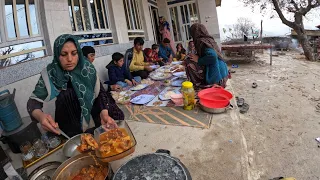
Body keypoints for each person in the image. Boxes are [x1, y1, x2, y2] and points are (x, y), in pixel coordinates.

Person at [27, 34, 124, 137]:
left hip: (96, 116)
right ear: (56, 55)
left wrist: (104, 113)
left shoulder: (87, 68)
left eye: (74, 53)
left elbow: (100, 92)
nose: (69, 59)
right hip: (69, 122)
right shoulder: (52, 73)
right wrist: (41, 116)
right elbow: (33, 102)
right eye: (63, 54)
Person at [187, 23, 229, 88]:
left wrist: (199, 60)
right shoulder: (209, 40)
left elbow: (213, 57)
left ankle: (198, 84)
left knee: (189, 62)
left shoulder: (201, 41)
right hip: (224, 75)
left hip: (217, 79)